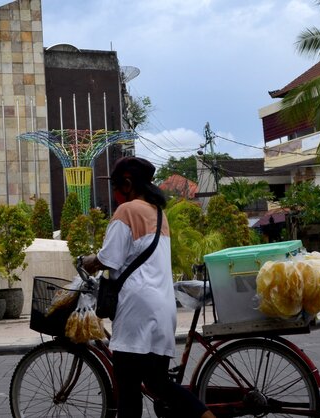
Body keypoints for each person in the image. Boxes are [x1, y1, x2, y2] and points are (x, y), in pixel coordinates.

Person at [83, 156, 214, 418]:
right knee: (159, 384)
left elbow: (108, 259)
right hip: (163, 309)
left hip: (136, 311)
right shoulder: (159, 213)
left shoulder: (128, 210)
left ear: (128, 184)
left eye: (116, 186)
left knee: (129, 394)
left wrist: (88, 261)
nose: (115, 193)